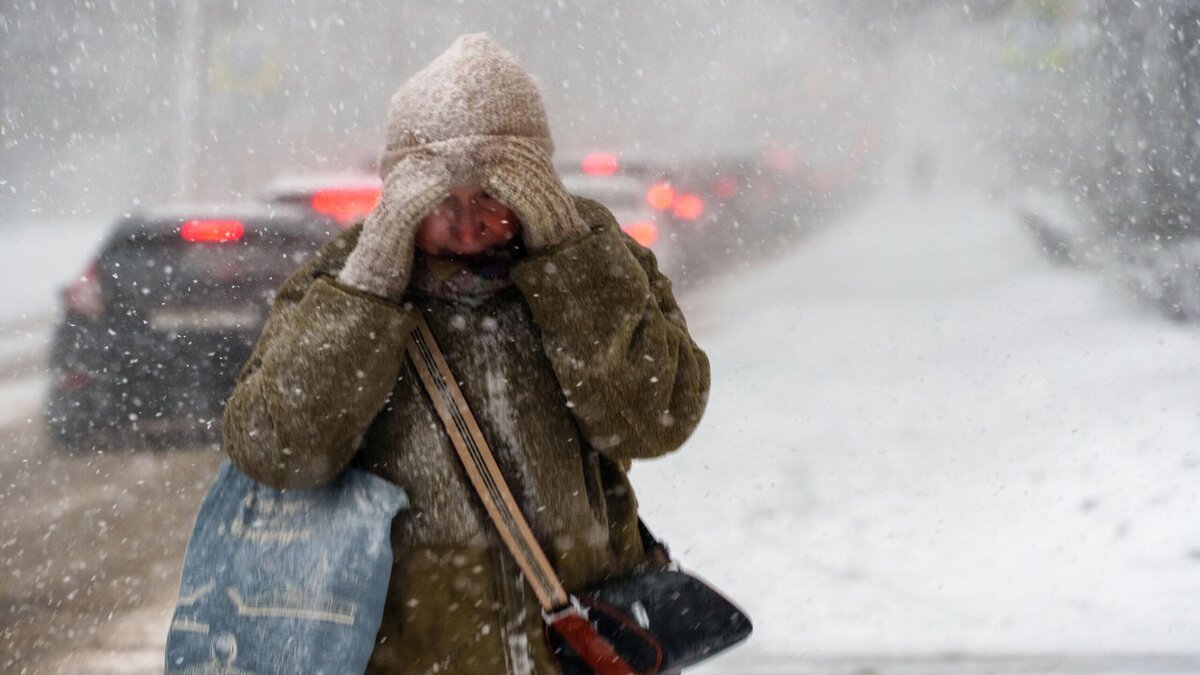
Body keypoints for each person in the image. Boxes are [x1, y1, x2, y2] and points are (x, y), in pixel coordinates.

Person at [222, 33, 710, 674]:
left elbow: (654, 422)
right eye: (440, 202)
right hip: (408, 652)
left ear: (534, 183)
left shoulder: (594, 260)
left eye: (491, 196)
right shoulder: (343, 280)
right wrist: (368, 289)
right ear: (401, 194)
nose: (468, 224)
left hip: (575, 646)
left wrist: (569, 260)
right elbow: (278, 452)